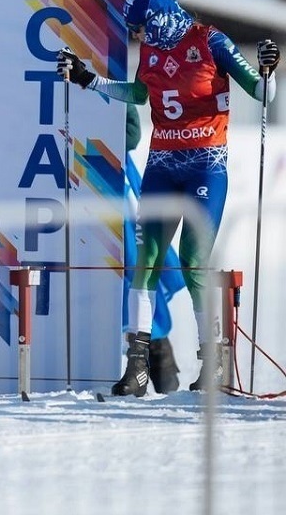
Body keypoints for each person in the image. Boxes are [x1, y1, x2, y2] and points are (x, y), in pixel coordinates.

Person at [58, 0, 278, 396]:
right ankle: (137, 367)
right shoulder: (152, 52)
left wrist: (271, 66)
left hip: (204, 166)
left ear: (158, 18)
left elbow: (261, 90)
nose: (138, 36)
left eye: (140, 27)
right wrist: (91, 81)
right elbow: (141, 94)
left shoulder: (210, 41)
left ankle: (214, 362)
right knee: (146, 259)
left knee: (194, 258)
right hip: (162, 163)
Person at [123, 103, 186, 393]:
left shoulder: (105, 67)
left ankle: (159, 364)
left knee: (138, 265)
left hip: (110, 175)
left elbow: (132, 133)